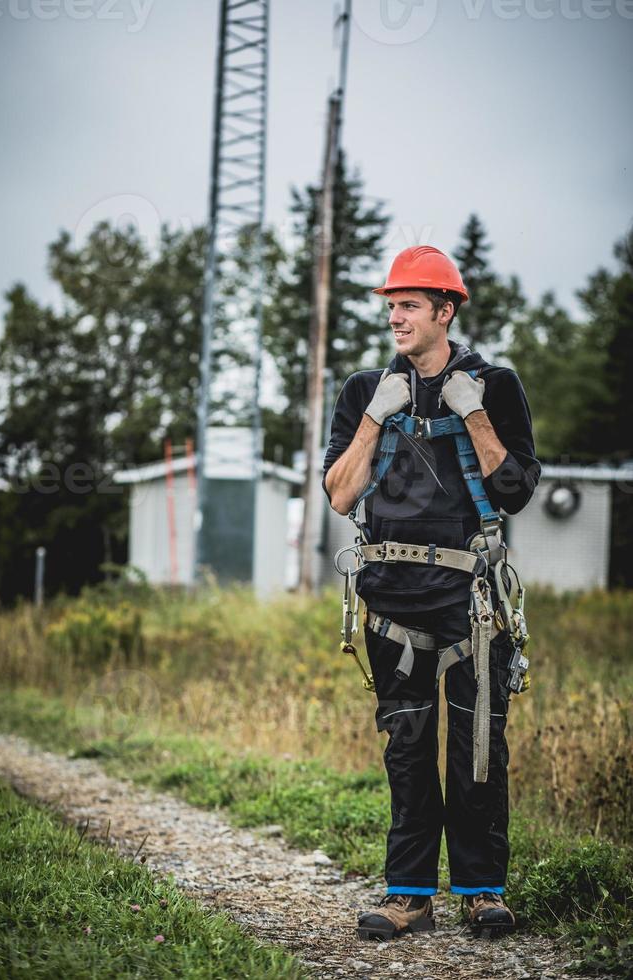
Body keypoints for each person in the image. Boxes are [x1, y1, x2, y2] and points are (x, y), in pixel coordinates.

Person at [323, 245, 540, 939]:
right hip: (392, 605)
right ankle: (408, 895)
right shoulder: (364, 391)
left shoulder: (496, 386)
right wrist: (374, 418)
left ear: (446, 312)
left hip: (473, 606)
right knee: (407, 749)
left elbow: (514, 491)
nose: (396, 316)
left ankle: (482, 890)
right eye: (391, 304)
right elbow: (340, 495)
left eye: (410, 304)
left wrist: (474, 414)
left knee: (481, 747)